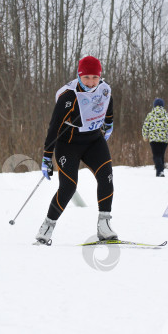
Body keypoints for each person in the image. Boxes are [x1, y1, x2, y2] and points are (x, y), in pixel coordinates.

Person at [35, 55, 116, 245]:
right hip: (68, 144)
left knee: (107, 177)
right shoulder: (68, 95)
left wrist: (109, 124)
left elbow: (108, 105)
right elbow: (54, 127)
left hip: (94, 141)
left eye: (95, 77)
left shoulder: (104, 89)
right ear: (79, 76)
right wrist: (47, 157)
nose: (90, 82)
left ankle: (104, 225)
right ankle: (47, 226)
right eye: (86, 77)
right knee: (69, 187)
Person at [141, 98, 168, 177]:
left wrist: (145, 136)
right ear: (163, 106)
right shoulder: (167, 115)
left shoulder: (150, 115)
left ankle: (160, 171)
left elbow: (145, 126)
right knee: (161, 155)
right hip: (164, 140)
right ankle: (160, 172)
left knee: (156, 155)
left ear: (154, 105)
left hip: (153, 140)